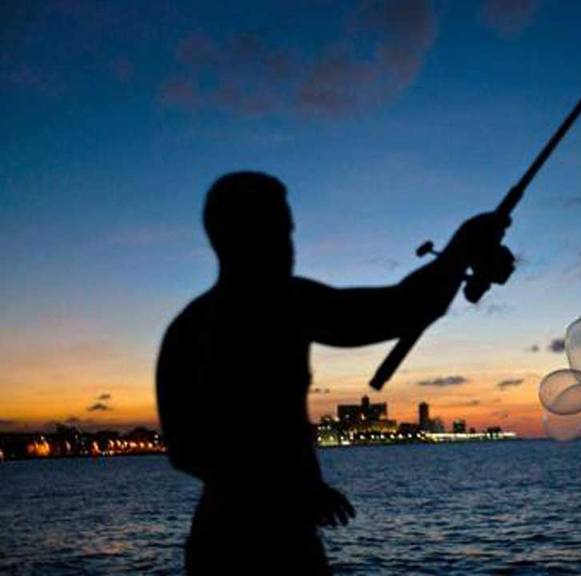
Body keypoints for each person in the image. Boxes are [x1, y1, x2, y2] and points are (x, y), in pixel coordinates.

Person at [156, 171, 511, 574]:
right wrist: (463, 245)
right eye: (279, 232)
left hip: (222, 539)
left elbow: (190, 451)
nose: (289, 246)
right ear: (244, 236)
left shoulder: (186, 326)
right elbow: (401, 309)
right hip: (262, 543)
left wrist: (300, 489)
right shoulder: (282, 303)